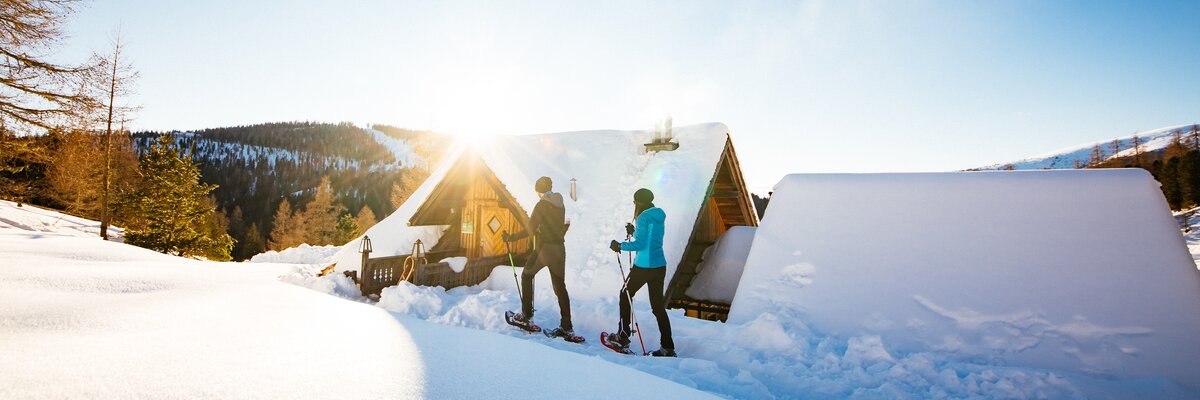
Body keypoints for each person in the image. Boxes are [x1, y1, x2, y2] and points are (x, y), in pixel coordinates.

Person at [607, 188, 675, 357]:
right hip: (659, 265)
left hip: (644, 265)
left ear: (639, 202)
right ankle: (668, 347)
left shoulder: (643, 216)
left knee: (625, 294)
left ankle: (622, 337)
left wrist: (620, 245)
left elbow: (641, 245)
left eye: (634, 202)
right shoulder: (658, 215)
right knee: (658, 307)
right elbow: (649, 239)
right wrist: (634, 232)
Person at [504, 176, 573, 337]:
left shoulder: (542, 204)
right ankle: (567, 327)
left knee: (527, 275)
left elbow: (530, 228)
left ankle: (526, 317)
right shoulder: (560, 203)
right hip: (559, 249)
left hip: (545, 249)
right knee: (560, 287)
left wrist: (510, 238)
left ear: (538, 190)